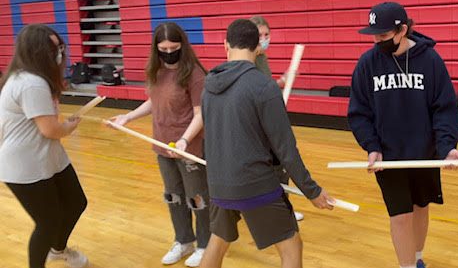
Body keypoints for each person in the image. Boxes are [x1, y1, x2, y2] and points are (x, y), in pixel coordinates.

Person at [200, 19, 334, 268]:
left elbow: (211, 139)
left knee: (217, 242)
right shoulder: (263, 87)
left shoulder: (208, 87)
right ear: (258, 46)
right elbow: (286, 149)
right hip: (255, 184)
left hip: (218, 184)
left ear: (225, 45)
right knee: (292, 246)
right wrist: (312, 191)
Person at [347, 2, 458, 268]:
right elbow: (359, 113)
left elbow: (444, 109)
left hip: (425, 154)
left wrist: (447, 147)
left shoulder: (431, 61)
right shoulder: (367, 64)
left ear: (402, 30)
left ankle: (417, 258)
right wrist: (372, 147)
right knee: (400, 216)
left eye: (383, 35)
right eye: (374, 36)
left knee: (420, 208)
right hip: (389, 158)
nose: (377, 41)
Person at [110, 22, 210, 267]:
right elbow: (153, 102)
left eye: (173, 48)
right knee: (173, 196)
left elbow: (201, 114)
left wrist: (185, 140)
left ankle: (205, 245)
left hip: (189, 147)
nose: (168, 53)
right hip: (162, 145)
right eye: (163, 48)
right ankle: (183, 240)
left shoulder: (195, 74)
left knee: (196, 197)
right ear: (156, 49)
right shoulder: (156, 71)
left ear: (182, 46)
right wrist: (128, 117)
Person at [0, 24, 88, 268]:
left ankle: (58, 250)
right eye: (54, 48)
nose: (60, 52)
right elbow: (50, 130)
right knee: (47, 222)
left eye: (60, 46)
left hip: (49, 157)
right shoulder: (30, 83)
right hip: (25, 165)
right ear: (39, 51)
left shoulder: (36, 79)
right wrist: (69, 126)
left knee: (76, 202)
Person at [250, 16, 304, 222]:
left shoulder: (262, 58)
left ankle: (283, 208)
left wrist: (284, 79)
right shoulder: (250, 60)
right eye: (259, 35)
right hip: (257, 126)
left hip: (269, 122)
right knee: (266, 169)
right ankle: (266, 210)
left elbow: (267, 87)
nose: (264, 39)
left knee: (280, 167)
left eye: (267, 35)